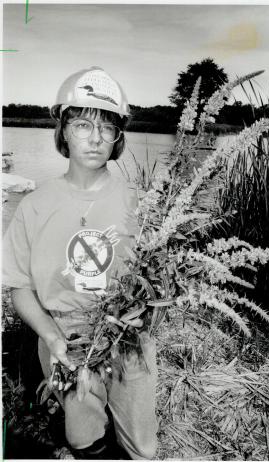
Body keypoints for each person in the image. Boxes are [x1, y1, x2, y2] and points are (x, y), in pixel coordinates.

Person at [3, 66, 158, 459]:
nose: (95, 138)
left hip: (128, 340)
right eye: (82, 125)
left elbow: (153, 281)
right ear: (63, 131)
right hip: (66, 340)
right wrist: (51, 336)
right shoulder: (35, 206)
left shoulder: (139, 203)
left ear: (118, 137)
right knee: (82, 435)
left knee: (141, 441)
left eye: (107, 127)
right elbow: (19, 286)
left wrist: (144, 312)